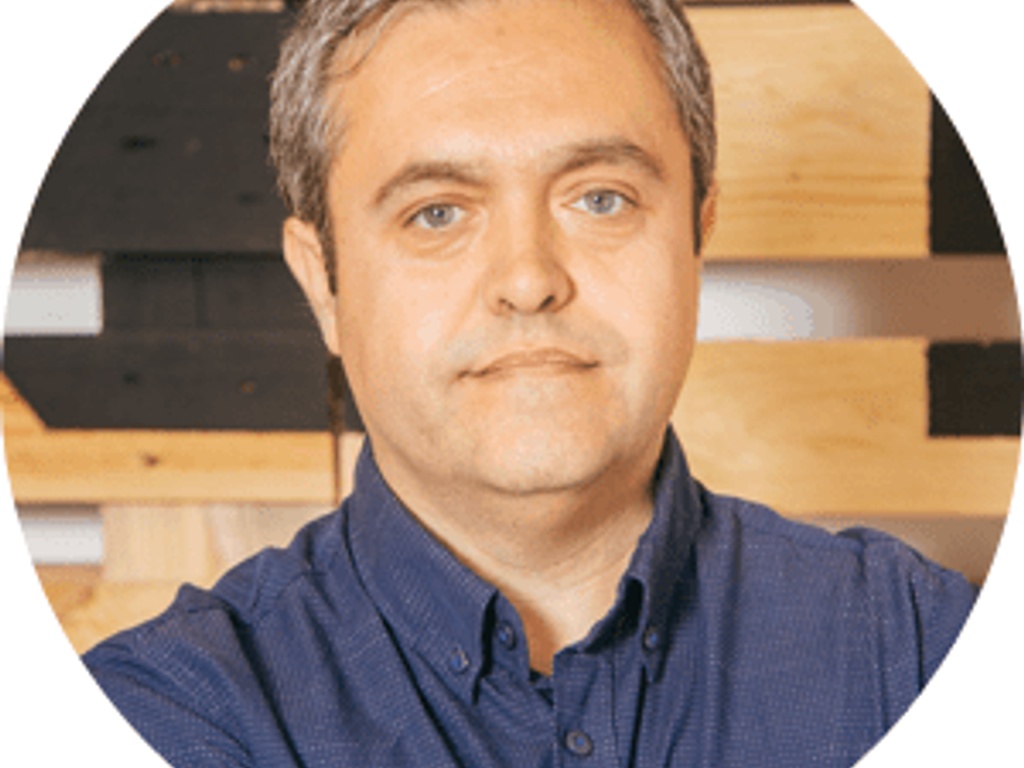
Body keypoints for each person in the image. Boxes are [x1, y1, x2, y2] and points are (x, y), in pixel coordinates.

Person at [83, 0, 977, 765]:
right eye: (437, 213)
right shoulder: (163, 719)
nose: (527, 277)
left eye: (600, 198)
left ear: (696, 234)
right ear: (323, 281)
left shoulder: (923, 651)